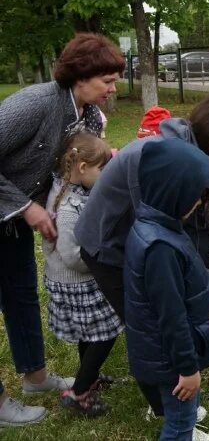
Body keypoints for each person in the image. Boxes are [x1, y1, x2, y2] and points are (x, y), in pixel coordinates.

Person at [74, 89, 209, 419]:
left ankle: (170, 402)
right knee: (148, 325)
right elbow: (161, 235)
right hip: (108, 247)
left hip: (135, 239)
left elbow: (184, 234)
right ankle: (165, 411)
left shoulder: (188, 155)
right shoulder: (160, 156)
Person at [0, 32, 122, 427]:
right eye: (107, 80)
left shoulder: (85, 116)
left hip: (13, 221)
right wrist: (25, 207)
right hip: (13, 208)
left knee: (20, 296)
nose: (113, 87)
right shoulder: (35, 104)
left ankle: (35, 377)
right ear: (81, 75)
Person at [125, 138, 209, 441]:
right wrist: (187, 369)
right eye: (196, 193)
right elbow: (171, 316)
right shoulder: (161, 247)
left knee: (180, 417)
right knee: (180, 425)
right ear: (175, 194)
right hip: (172, 363)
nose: (200, 200)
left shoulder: (157, 226)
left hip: (163, 357)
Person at [41, 132, 123, 417]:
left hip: (79, 280)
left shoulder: (72, 189)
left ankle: (88, 379)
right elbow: (74, 257)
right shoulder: (66, 208)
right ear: (83, 167)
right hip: (78, 281)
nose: (104, 175)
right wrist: (104, 261)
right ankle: (78, 393)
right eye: (102, 169)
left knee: (91, 333)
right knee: (107, 332)